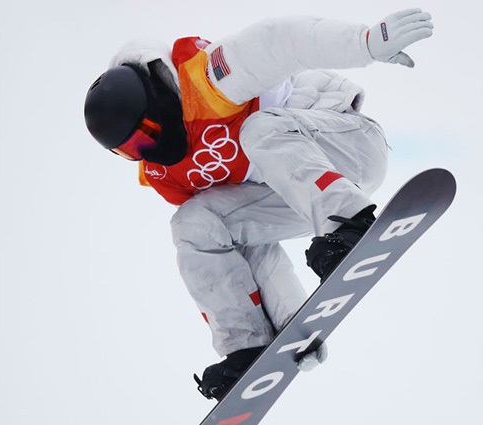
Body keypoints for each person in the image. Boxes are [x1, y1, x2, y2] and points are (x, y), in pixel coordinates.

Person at [83, 8, 433, 401]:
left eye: (146, 134)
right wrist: (295, 324)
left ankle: (350, 222)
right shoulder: (169, 174)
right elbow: (248, 242)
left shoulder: (208, 80)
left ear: (157, 98)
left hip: (348, 146)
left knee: (259, 128)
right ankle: (247, 343)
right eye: (132, 151)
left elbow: (281, 40)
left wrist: (364, 43)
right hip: (296, 195)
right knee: (197, 223)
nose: (149, 150)